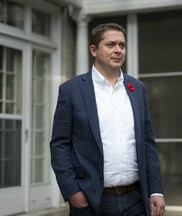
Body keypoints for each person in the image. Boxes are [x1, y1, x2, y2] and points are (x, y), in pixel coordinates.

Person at [50, 23, 165, 216]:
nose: (118, 50)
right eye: (111, 44)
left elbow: (148, 144)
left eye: (122, 45)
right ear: (94, 50)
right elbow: (60, 144)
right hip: (93, 201)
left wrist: (156, 189)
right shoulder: (71, 91)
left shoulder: (137, 89)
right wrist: (72, 191)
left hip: (137, 199)